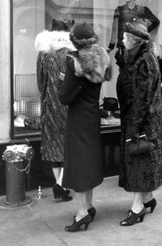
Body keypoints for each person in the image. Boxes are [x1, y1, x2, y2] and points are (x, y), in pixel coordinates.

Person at [58, 22, 111, 232]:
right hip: (92, 117)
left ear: (76, 41)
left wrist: (63, 82)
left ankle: (81, 215)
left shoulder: (75, 62)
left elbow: (64, 97)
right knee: (88, 162)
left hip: (78, 119)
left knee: (79, 164)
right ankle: (88, 207)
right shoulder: (101, 57)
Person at [116, 18, 162, 226]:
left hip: (143, 122)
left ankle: (137, 208)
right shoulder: (140, 57)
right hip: (142, 119)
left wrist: (133, 128)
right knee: (142, 161)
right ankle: (148, 198)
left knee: (138, 161)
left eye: (125, 37)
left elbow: (142, 98)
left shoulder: (145, 61)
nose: (122, 40)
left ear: (134, 40)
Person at [35, 17, 75, 202]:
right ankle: (60, 183)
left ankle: (59, 182)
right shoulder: (68, 54)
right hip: (66, 104)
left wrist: (45, 96)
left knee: (52, 143)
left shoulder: (43, 54)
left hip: (49, 104)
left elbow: (40, 81)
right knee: (67, 143)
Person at [108, 0, 160, 66]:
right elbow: (115, 29)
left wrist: (142, 33)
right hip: (123, 46)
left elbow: (155, 22)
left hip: (137, 46)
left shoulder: (142, 10)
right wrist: (111, 46)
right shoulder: (119, 10)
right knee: (124, 71)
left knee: (137, 69)